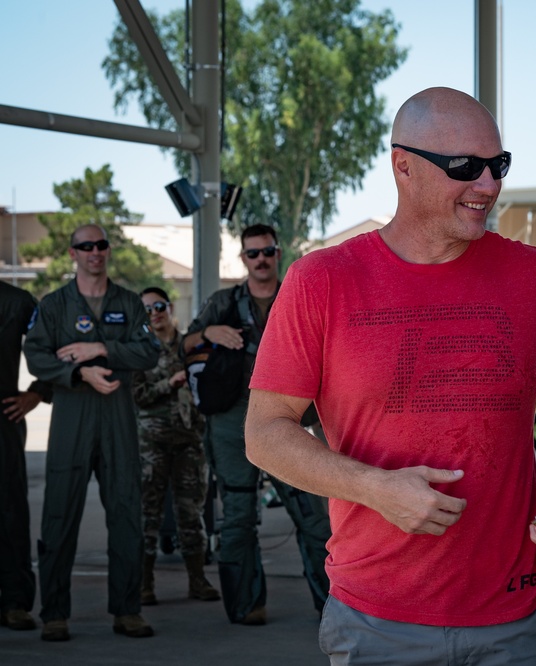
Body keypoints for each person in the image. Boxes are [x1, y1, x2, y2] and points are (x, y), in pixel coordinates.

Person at [244, 86, 536, 665]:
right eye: (465, 167)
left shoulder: (534, 275)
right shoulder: (321, 280)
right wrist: (375, 489)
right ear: (403, 166)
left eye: (499, 165)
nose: (488, 185)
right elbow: (264, 434)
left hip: (520, 617)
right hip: (377, 623)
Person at [183, 224, 331, 626]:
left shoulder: (299, 294)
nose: (260, 259)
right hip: (233, 420)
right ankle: (246, 606)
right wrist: (207, 332)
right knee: (237, 515)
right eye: (252, 254)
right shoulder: (223, 302)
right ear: (243, 258)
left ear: (277, 253)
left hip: (290, 415)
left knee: (314, 516)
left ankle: (333, 605)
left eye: (267, 251)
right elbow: (185, 344)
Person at [23, 224, 159, 641]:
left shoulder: (130, 303)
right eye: (86, 246)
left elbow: (149, 351)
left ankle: (127, 610)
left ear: (108, 251)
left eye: (100, 245)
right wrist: (78, 372)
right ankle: (55, 614)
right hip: (72, 421)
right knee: (59, 515)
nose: (94, 252)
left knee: (125, 517)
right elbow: (35, 356)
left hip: (118, 422)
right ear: (73, 253)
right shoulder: (54, 305)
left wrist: (100, 348)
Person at [132, 287, 220, 606]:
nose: (154, 313)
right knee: (148, 515)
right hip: (151, 443)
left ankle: (197, 580)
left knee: (191, 513)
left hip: (189, 442)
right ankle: (144, 584)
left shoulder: (189, 345)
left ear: (169, 307)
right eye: (147, 309)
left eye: (159, 306)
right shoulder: (139, 350)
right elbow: (137, 395)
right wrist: (167, 384)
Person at [0, 281, 52, 632]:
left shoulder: (16, 302)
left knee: (9, 510)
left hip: (2, 423)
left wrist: (37, 393)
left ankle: (16, 601)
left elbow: (51, 345)